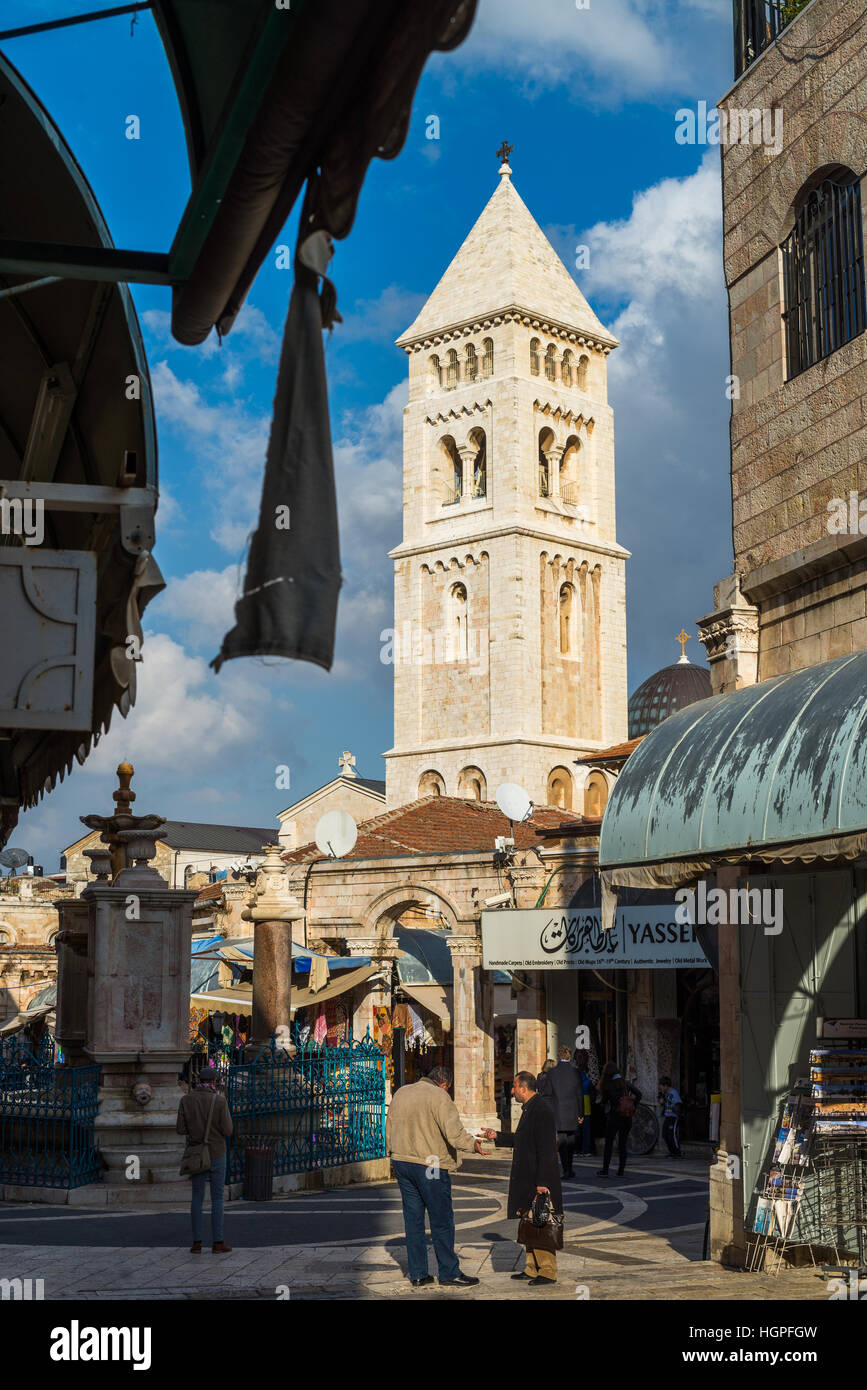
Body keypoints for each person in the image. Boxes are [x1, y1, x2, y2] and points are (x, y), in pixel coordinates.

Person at [386, 1065, 485, 1288]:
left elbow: (389, 1125)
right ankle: (449, 1273)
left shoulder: (402, 1092)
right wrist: (473, 1145)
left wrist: (391, 1152)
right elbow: (454, 1133)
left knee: (413, 1220)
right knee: (441, 1219)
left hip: (402, 1161)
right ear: (444, 1084)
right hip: (429, 1163)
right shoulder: (439, 1096)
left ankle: (419, 1274)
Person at [482, 1071, 563, 1287]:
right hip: (529, 1177)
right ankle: (531, 1267)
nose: (512, 1090)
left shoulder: (542, 1110)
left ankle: (547, 1271)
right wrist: (497, 1136)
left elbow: (547, 1149)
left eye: (515, 1087)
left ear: (524, 1089)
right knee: (529, 1222)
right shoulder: (530, 1108)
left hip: (539, 1179)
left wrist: (543, 1182)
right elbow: (522, 1139)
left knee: (542, 1223)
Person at [176, 1063, 234, 1254]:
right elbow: (228, 1130)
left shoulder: (186, 1100)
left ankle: (197, 1242)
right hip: (216, 1152)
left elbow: (181, 1129)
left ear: (198, 1080)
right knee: (217, 1198)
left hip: (196, 1153)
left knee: (197, 1197)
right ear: (215, 1081)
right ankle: (218, 1241)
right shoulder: (219, 1101)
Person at [596, 1061, 641, 1179]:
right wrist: (633, 1104)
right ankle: (621, 1171)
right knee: (622, 1144)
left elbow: (604, 1101)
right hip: (627, 1117)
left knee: (609, 1144)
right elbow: (639, 1094)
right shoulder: (625, 1083)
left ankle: (605, 1170)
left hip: (614, 1117)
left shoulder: (608, 1085)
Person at [546, 1045, 582, 1179]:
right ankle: (570, 1168)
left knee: (561, 1141)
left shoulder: (552, 1072)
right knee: (571, 1141)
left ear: (558, 1056)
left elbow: (548, 1094)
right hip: (572, 1110)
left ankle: (565, 1168)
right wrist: (581, 1114)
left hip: (558, 1110)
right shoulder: (575, 1072)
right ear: (570, 1056)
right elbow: (579, 1094)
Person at [573, 1049, 596, 1157]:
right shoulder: (589, 1073)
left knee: (577, 1127)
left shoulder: (574, 1073)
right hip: (586, 1101)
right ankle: (586, 1149)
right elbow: (592, 1086)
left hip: (577, 1102)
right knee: (586, 1127)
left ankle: (577, 1149)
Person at [659, 1074, 684, 1158]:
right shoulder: (665, 1093)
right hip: (667, 1116)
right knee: (664, 1134)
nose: (661, 1088)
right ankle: (672, 1152)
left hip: (673, 1117)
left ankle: (677, 1152)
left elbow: (678, 1104)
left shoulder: (674, 1093)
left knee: (672, 1135)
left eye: (661, 1086)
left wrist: (672, 1110)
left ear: (666, 1086)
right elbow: (664, 1104)